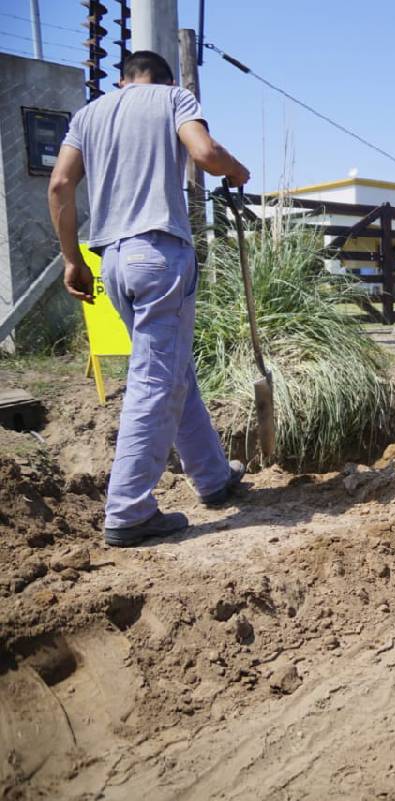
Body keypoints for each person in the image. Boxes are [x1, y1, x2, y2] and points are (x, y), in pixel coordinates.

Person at [48, 50, 252, 547]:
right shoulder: (175, 97)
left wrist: (72, 259)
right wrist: (237, 170)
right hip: (159, 253)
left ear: (122, 81)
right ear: (163, 79)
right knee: (155, 380)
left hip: (111, 260)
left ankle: (212, 477)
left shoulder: (88, 114)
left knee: (173, 371)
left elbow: (60, 183)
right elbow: (204, 153)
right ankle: (129, 511)